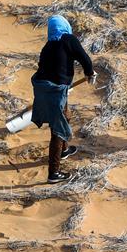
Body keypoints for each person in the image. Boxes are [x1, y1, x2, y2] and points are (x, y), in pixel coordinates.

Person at [31, 14, 96, 183]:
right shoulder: (68, 39)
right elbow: (84, 58)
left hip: (42, 88)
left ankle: (64, 150)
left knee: (65, 116)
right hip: (55, 90)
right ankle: (54, 173)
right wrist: (89, 73)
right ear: (65, 26)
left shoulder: (47, 46)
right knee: (57, 130)